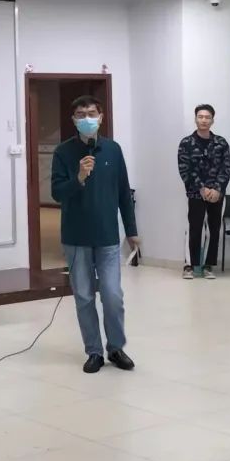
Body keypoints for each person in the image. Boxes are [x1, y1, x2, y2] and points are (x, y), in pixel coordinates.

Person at [51, 95, 139, 374]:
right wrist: (78, 177)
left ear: (101, 117)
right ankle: (94, 351)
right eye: (81, 114)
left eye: (91, 113)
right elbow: (56, 193)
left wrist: (132, 230)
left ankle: (116, 348)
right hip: (76, 237)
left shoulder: (113, 149)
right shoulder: (63, 152)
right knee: (85, 297)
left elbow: (124, 193)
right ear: (73, 120)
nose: (86, 118)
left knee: (112, 295)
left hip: (107, 235)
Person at [177, 104, 230, 280]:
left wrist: (217, 189)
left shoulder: (221, 143)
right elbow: (185, 169)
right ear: (195, 119)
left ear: (212, 120)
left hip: (216, 195)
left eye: (207, 117)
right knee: (194, 229)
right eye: (200, 117)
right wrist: (201, 188)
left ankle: (208, 266)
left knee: (213, 230)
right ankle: (190, 265)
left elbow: (226, 169)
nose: (204, 120)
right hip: (195, 193)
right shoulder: (186, 143)